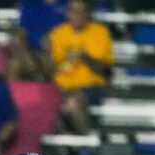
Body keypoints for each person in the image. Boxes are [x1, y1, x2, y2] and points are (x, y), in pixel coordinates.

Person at [46, 0, 112, 133]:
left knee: (73, 102)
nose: (76, 15)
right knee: (50, 103)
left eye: (81, 11)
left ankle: (85, 146)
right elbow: (51, 69)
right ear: (67, 13)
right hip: (61, 87)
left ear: (88, 14)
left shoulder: (100, 32)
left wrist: (84, 56)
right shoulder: (57, 34)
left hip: (91, 87)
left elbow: (105, 69)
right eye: (73, 11)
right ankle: (72, 148)